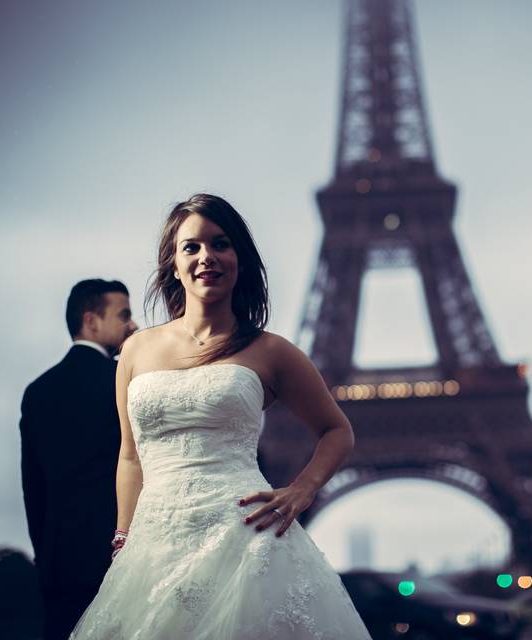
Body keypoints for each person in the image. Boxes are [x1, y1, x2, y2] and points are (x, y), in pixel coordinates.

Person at [70, 194, 371, 639]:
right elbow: (130, 457)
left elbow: (337, 430)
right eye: (191, 246)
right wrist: (123, 538)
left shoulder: (272, 351)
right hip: (154, 547)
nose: (206, 256)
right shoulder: (136, 349)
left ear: (240, 259)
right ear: (173, 263)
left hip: (244, 541)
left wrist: (302, 490)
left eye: (221, 243)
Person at [20, 279, 138, 639]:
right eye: (124, 315)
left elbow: (33, 488)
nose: (132, 324)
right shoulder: (125, 380)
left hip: (60, 559)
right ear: (91, 321)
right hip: (120, 553)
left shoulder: (38, 391)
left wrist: (45, 552)